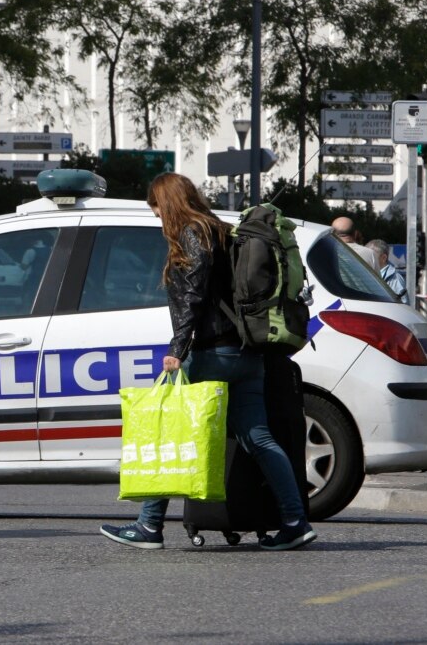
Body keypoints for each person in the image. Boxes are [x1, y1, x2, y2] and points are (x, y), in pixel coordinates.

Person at [99, 173, 316, 552]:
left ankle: (149, 526)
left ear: (166, 203)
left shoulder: (192, 234)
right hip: (248, 353)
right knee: (259, 437)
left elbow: (195, 296)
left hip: (213, 353)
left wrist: (177, 349)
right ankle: (295, 521)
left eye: (155, 207)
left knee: (174, 430)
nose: (154, 216)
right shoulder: (224, 230)